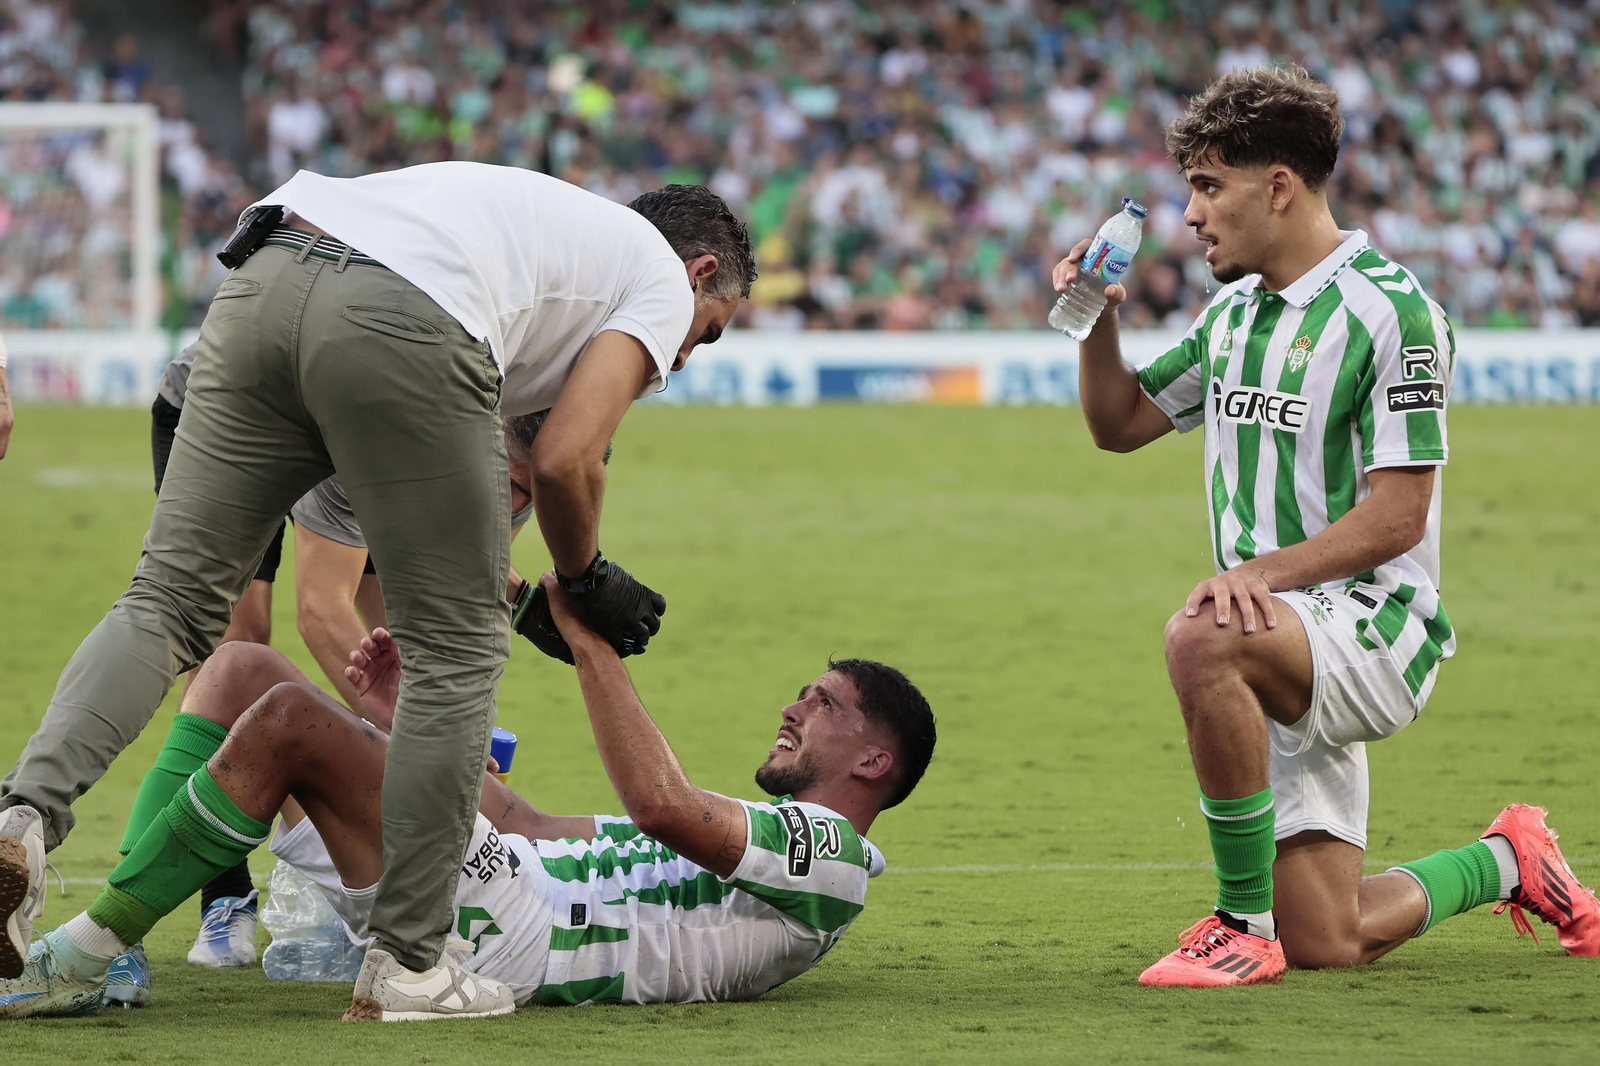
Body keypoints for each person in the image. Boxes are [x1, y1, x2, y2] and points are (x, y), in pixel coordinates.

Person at [0, 166, 754, 1020]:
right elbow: (565, 460)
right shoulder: (656, 276)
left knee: (166, 603)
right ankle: (408, 964)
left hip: (268, 272)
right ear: (699, 273)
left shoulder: (538, 231)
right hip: (401, 318)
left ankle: (22, 815)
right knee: (458, 655)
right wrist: (587, 578)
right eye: (709, 332)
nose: (684, 357)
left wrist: (524, 588)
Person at [1050, 65, 1598, 988]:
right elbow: (1118, 426)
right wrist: (1096, 324)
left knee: (1201, 635)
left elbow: (1398, 515)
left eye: (1209, 186)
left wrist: (1257, 577)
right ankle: (1510, 858)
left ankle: (1238, 925)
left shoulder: (1396, 314)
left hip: (1375, 627)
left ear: (1279, 186)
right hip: (1282, 639)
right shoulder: (1233, 313)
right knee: (1330, 939)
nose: (1190, 214)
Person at [0, 575, 936, 1018]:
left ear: (874, 763)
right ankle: (110, 956)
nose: (792, 706)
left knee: (286, 717)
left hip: (517, 943)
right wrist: (395, 727)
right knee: (242, 669)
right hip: (500, 879)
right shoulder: (756, 842)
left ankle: (80, 957)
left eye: (823, 705)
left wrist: (586, 643)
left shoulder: (837, 865)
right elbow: (520, 823)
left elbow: (659, 801)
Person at [134, 353, 548, 981]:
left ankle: (363, 879)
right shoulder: (375, 427)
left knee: (395, 649)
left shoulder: (511, 463)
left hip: (369, 438)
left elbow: (427, 613)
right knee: (237, 645)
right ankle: (204, 903)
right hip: (234, 413)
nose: (515, 507)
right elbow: (322, 612)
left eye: (528, 496)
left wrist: (450, 722)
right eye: (513, 487)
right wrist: (419, 737)